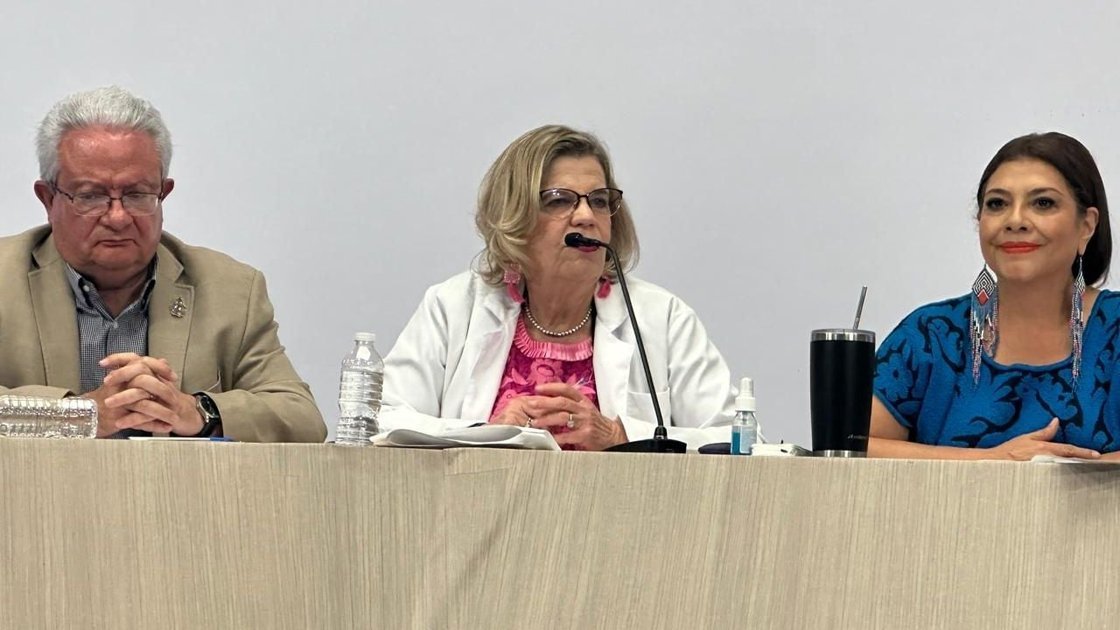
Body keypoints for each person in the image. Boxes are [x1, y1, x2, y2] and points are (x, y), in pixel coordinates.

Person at [0, 86, 326, 442]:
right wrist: (80, 416)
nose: (118, 217)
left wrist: (198, 412)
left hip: (176, 481)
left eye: (137, 194)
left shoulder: (232, 290)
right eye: (90, 196)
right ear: (48, 199)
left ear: (163, 194)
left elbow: (301, 417)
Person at [381, 125, 737, 450]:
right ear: (515, 217)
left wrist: (620, 435)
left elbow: (737, 441)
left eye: (599, 200)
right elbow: (381, 421)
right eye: (559, 200)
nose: (586, 216)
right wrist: (487, 433)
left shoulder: (663, 318)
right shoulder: (452, 307)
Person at [870, 131, 1117, 460]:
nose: (1015, 221)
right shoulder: (929, 335)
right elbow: (852, 447)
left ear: (1086, 225)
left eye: (1043, 203)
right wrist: (992, 462)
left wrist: (1053, 477)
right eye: (997, 204)